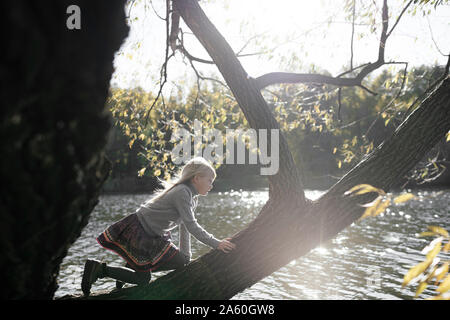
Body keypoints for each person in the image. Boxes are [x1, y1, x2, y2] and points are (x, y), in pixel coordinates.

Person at [81, 157, 236, 296]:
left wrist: (186, 256)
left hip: (152, 235)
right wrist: (217, 243)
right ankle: (100, 270)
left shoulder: (191, 196)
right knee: (143, 279)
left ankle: (128, 269)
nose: (211, 185)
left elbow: (185, 226)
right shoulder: (182, 192)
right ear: (196, 178)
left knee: (179, 261)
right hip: (141, 231)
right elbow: (192, 226)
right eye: (209, 180)